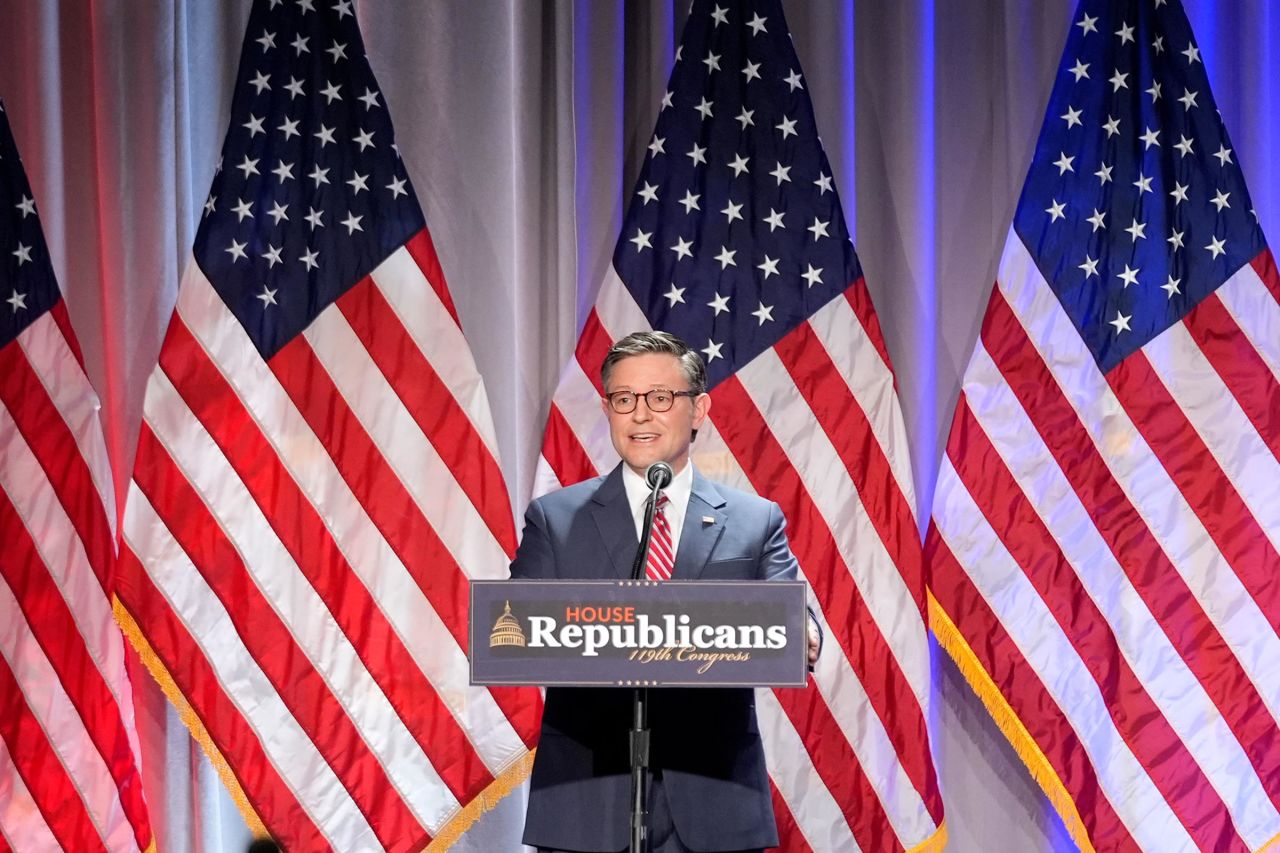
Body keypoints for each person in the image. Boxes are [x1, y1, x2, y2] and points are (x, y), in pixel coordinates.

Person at [510, 330, 819, 853]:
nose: (640, 415)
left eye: (660, 398)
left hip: (714, 798)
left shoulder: (753, 520)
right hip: (586, 803)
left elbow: (791, 616)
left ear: (698, 410)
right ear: (608, 409)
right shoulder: (557, 518)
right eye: (623, 399)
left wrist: (805, 631)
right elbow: (514, 633)